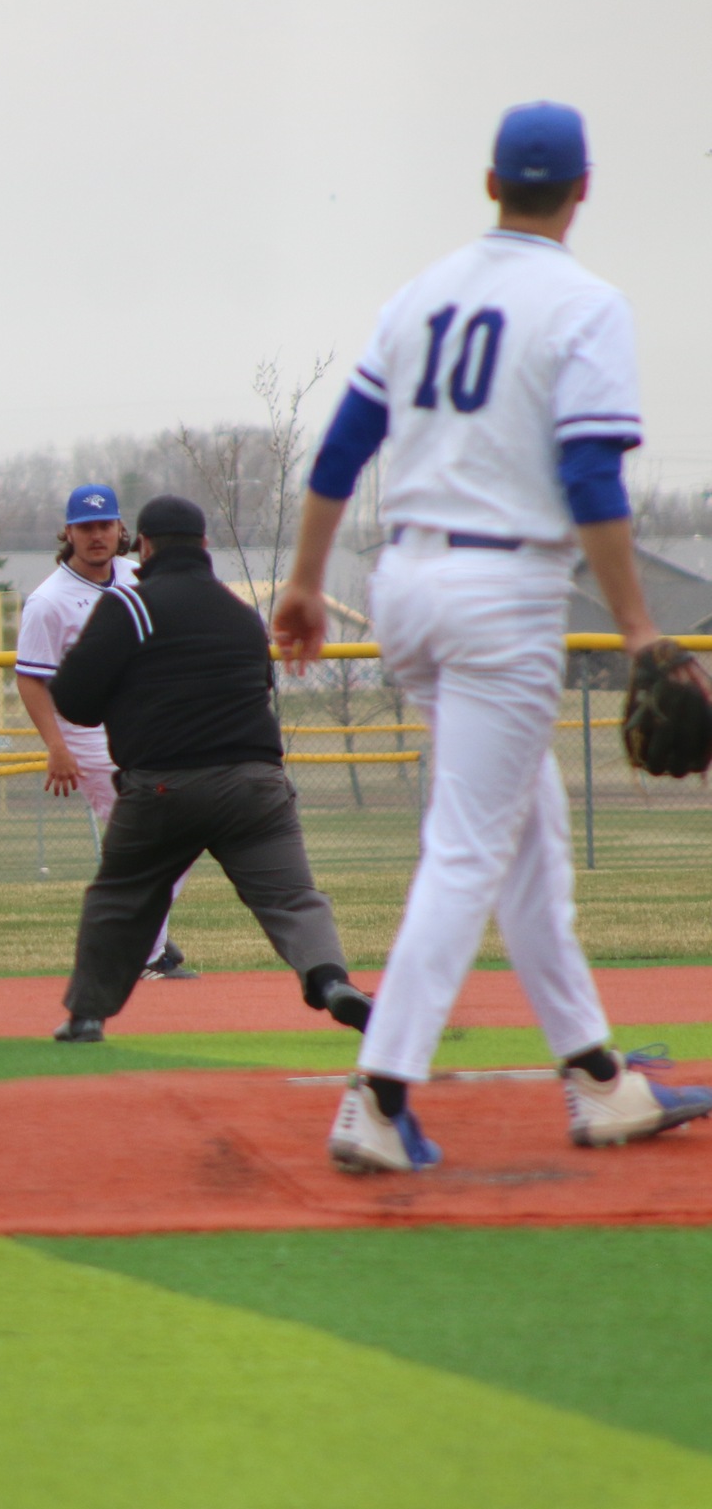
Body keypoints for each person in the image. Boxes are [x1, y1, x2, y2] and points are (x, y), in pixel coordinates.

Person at [273, 101, 712, 1172]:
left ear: (487, 186)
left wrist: (299, 580)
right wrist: (638, 629)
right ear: (581, 190)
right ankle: (375, 1097)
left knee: (526, 837)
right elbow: (587, 473)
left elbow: (341, 446)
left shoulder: (421, 294)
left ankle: (597, 1080)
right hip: (501, 589)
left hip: (403, 583)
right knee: (467, 849)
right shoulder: (583, 302)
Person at [47, 496, 374, 1045]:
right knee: (294, 898)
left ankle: (86, 1016)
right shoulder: (241, 613)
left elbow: (75, 700)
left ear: (142, 545)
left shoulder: (132, 607)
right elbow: (257, 689)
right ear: (203, 546)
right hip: (256, 784)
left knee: (120, 898)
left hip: (164, 785)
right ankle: (332, 980)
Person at [15, 482, 193, 979]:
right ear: (67, 533)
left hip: (148, 728)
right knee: (145, 838)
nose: (96, 535)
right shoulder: (48, 601)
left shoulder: (141, 575)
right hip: (88, 735)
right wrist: (56, 747)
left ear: (122, 531)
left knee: (182, 830)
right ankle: (146, 953)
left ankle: (143, 936)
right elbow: (30, 678)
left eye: (105, 525)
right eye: (85, 527)